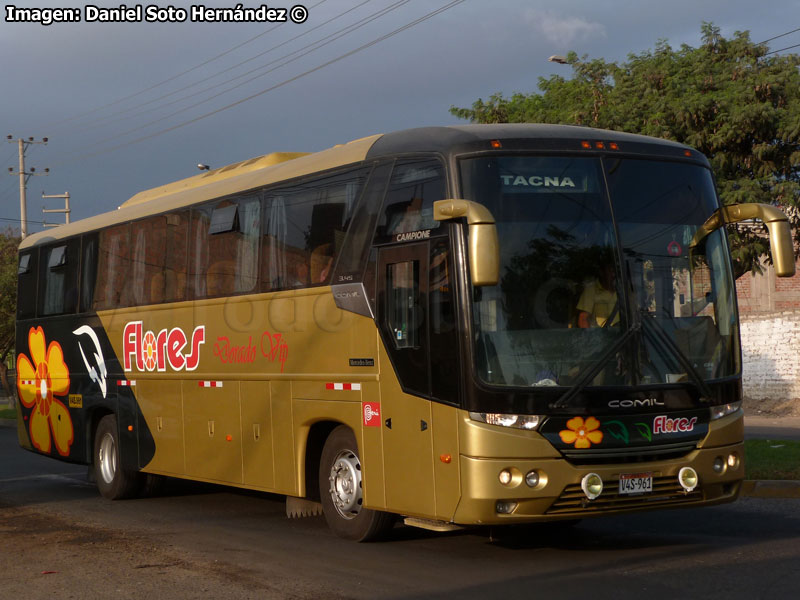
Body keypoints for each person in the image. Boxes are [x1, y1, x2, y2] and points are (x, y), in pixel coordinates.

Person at [576, 262, 619, 328]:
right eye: (610, 271)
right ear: (601, 272)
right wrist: (590, 337)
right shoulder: (590, 291)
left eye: (615, 271)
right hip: (600, 336)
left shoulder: (623, 291)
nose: (613, 275)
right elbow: (583, 319)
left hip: (624, 334)